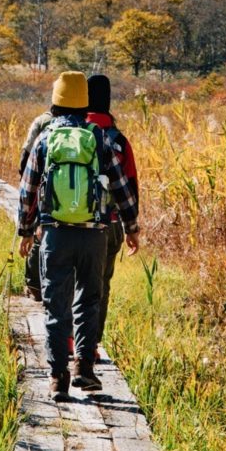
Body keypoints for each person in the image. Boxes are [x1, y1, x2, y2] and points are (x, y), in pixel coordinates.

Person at [18, 71, 139, 401]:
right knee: (89, 299)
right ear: (85, 103)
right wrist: (131, 228)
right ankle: (84, 367)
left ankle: (58, 379)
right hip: (94, 234)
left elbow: (28, 188)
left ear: (55, 102)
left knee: (56, 306)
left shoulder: (46, 138)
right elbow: (121, 187)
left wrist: (25, 231)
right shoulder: (99, 138)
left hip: (55, 234)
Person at [86, 73, 140, 350]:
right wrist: (132, 229)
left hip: (71, 224)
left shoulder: (72, 135)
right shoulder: (118, 140)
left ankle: (71, 341)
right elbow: (128, 185)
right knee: (100, 286)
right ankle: (92, 345)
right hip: (111, 223)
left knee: (72, 283)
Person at [18, 108, 53, 301]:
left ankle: (34, 285)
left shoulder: (41, 121)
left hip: (39, 187)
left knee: (37, 233)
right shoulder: (84, 125)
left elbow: (26, 155)